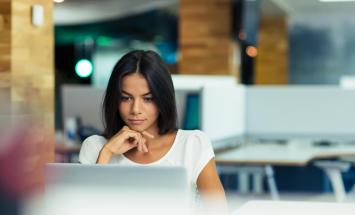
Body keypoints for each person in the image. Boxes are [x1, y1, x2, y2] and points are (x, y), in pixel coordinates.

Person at [78, 50, 228, 214]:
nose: (135, 109)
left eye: (148, 99)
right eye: (126, 98)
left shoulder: (192, 144)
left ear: (162, 98)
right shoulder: (95, 147)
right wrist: (107, 153)